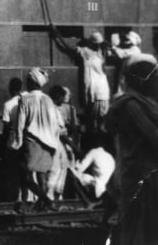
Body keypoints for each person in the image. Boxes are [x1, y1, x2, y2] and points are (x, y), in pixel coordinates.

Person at [106, 53, 158, 245]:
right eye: (154, 77)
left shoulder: (143, 104)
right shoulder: (132, 106)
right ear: (143, 81)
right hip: (141, 180)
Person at [10, 68, 60, 212]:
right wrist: (54, 142)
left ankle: (47, 201)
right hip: (49, 143)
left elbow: (20, 124)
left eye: (27, 80)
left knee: (26, 176)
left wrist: (17, 142)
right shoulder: (48, 100)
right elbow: (55, 124)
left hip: (32, 141)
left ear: (32, 82)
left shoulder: (25, 99)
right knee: (42, 176)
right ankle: (41, 208)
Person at [51, 28, 110, 134]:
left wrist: (57, 36)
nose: (98, 46)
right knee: (95, 124)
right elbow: (68, 48)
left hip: (99, 93)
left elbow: (67, 48)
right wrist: (57, 36)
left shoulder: (99, 53)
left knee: (97, 124)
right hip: (96, 93)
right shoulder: (89, 51)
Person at [2, 77, 29, 203]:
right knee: (25, 171)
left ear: (10, 88)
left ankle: (16, 198)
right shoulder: (26, 99)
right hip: (25, 139)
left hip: (13, 141)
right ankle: (26, 197)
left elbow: (6, 127)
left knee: (14, 172)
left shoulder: (7, 105)